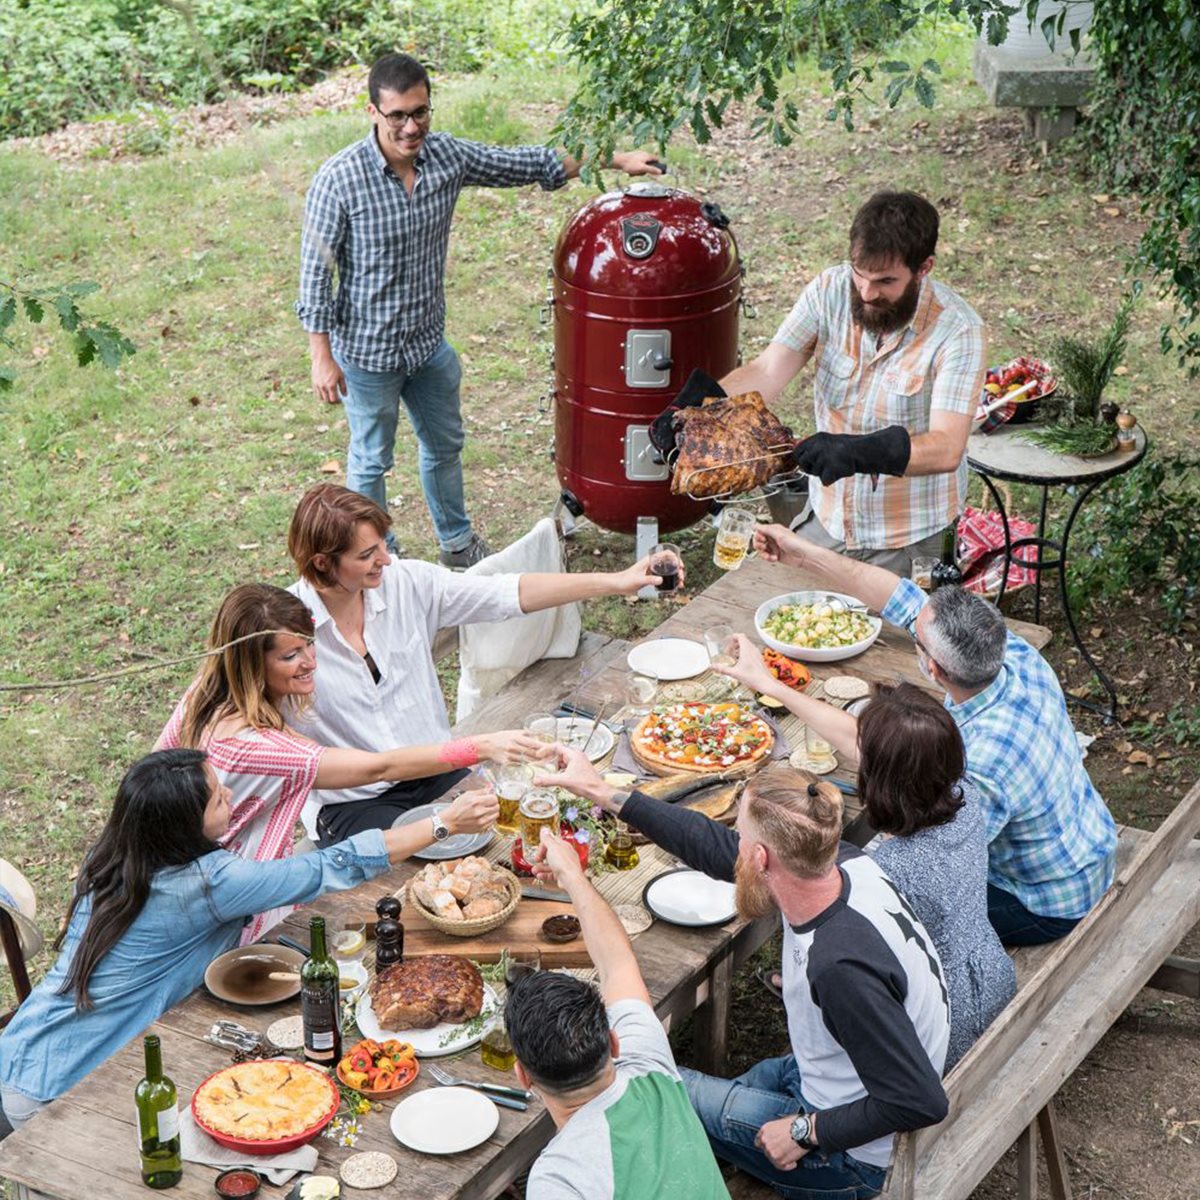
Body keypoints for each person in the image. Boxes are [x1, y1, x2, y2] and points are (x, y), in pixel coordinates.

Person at [296, 52, 664, 566]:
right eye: (397, 115)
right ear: (373, 112)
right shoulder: (339, 180)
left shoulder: (446, 156)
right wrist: (321, 354)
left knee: (445, 447)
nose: (410, 127)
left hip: (427, 346)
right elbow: (315, 272)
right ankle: (377, 556)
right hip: (368, 352)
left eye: (420, 112)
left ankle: (457, 544)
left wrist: (615, 157)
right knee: (371, 460)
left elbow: (529, 163)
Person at [0, 748, 494, 1130]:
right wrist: (443, 822)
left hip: (22, 1044)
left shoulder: (115, 855)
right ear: (181, 825)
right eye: (219, 797)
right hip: (59, 1085)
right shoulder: (208, 884)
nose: (231, 797)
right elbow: (328, 866)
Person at [537, 750, 950, 1199]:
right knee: (693, 1107)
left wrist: (803, 1130)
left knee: (650, 1088)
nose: (731, 845)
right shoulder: (845, 864)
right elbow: (712, 847)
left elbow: (919, 1100)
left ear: (760, 857)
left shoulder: (838, 966)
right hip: (838, 1078)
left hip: (856, 1159)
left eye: (740, 836)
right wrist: (602, 791)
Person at [752, 522, 1118, 946]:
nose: (913, 630)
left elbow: (940, 859)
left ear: (934, 669)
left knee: (858, 903)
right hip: (1087, 848)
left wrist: (774, 688)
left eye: (918, 642)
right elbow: (901, 599)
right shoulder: (1015, 655)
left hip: (1042, 902)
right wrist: (802, 552)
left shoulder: (977, 761)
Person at [285, 483, 675, 844]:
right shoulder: (279, 632)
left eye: (383, 545)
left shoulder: (405, 582)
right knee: (412, 885)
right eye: (367, 555)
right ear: (322, 563)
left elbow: (506, 593)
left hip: (436, 772)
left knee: (514, 842)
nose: (385, 560)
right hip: (354, 802)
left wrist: (618, 580)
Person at [156, 582, 535, 941]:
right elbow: (379, 767)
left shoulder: (201, 698)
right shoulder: (263, 747)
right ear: (250, 664)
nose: (309, 662)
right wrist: (479, 748)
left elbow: (154, 771)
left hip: (193, 875)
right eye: (290, 656)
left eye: (309, 644)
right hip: (230, 902)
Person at [718, 644, 1015, 1068]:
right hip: (990, 980)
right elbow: (876, 746)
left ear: (878, 778)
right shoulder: (960, 796)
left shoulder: (886, 874)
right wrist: (769, 684)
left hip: (944, 1033)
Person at [662, 191, 985, 575]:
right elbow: (768, 371)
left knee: (902, 637)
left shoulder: (959, 331)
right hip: (829, 521)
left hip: (912, 539)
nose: (866, 294)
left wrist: (856, 452)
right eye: (860, 275)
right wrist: (699, 407)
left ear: (924, 267)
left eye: (886, 281)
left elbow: (947, 448)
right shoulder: (828, 291)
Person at [505, 828, 730, 1200]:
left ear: (523, 1076)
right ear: (613, 1042)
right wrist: (573, 876)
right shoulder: (650, 1068)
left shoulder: (559, 1178)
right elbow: (617, 963)